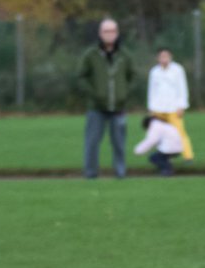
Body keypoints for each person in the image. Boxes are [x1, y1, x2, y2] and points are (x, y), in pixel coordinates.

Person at [77, 18, 137, 179]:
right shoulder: (91, 55)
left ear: (117, 33)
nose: (109, 35)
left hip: (118, 107)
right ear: (100, 34)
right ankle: (90, 174)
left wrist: (124, 93)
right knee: (92, 142)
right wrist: (94, 94)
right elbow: (81, 77)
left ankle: (120, 173)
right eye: (106, 31)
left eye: (112, 31)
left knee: (119, 144)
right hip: (96, 108)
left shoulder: (125, 55)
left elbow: (133, 77)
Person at [147, 47, 194, 162]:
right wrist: (151, 107)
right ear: (158, 58)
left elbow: (182, 88)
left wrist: (182, 105)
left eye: (166, 56)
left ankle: (188, 156)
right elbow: (151, 91)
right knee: (160, 134)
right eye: (162, 56)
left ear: (170, 57)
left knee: (179, 132)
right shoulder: (154, 72)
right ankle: (165, 156)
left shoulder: (178, 70)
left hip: (173, 108)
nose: (164, 59)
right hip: (158, 108)